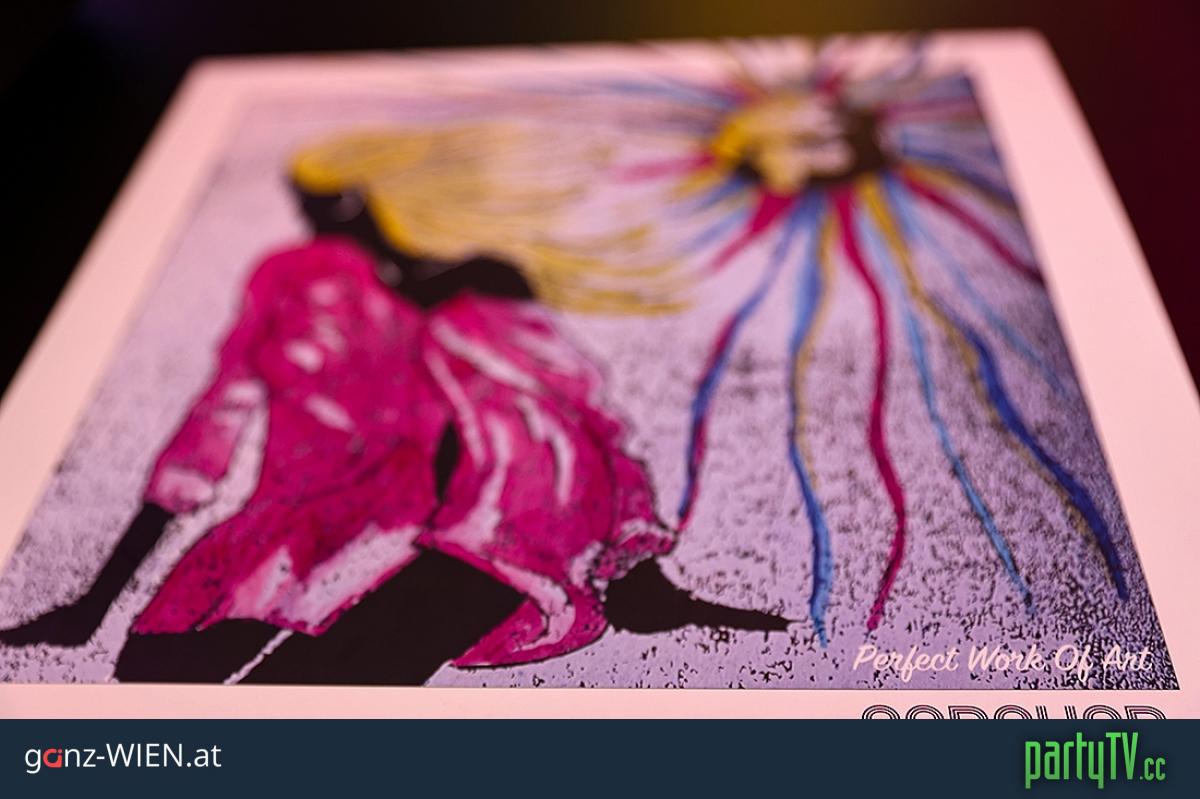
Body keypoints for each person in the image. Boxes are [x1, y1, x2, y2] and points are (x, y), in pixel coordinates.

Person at [1, 127, 786, 683]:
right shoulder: (297, 278)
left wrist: (638, 570)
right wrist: (92, 604)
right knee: (145, 699)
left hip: (422, 555)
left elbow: (582, 421)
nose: (321, 221)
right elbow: (215, 421)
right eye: (313, 203)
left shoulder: (476, 301)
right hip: (266, 545)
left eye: (336, 203)